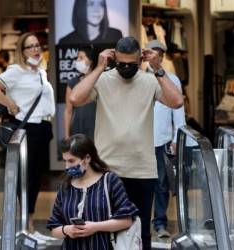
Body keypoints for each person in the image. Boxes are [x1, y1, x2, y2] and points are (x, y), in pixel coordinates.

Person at [69, 36, 183, 249]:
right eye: (121, 64)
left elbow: (176, 101)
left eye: (132, 64)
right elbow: (75, 98)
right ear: (114, 59)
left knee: (140, 232)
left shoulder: (150, 80)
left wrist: (158, 69)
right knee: (104, 229)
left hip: (142, 170)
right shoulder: (103, 79)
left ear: (141, 59)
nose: (126, 68)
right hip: (107, 169)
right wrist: (98, 67)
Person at [0, 32, 55, 244]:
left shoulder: (41, 72)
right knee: (27, 179)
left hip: (43, 127)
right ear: (22, 51)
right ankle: (27, 226)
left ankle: (29, 225)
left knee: (36, 178)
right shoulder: (16, 71)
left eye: (37, 45)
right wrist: (10, 104)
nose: (36, 49)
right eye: (30, 46)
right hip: (28, 129)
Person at [47, 134, 138, 250]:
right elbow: (54, 229)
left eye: (71, 161)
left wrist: (96, 227)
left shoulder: (110, 181)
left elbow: (126, 221)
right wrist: (67, 230)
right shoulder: (66, 186)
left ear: (87, 158)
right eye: (65, 161)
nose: (67, 166)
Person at [145, 40, 184, 238]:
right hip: (140, 141)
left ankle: (160, 223)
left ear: (162, 56)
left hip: (162, 140)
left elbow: (178, 111)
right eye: (152, 52)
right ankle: (139, 223)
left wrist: (177, 138)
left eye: (159, 53)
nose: (155, 56)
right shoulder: (137, 76)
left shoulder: (172, 80)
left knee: (162, 185)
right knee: (140, 183)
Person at [64, 47, 97, 139]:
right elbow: (68, 111)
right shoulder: (72, 82)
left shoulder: (101, 80)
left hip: (97, 128)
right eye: (77, 58)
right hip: (78, 127)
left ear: (91, 60)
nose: (77, 61)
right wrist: (67, 136)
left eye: (81, 58)